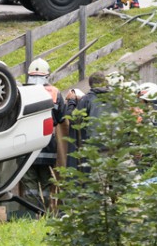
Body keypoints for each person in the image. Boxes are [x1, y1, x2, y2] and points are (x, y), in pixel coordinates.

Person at [21, 58, 65, 210]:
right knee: (47, 183)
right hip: (47, 145)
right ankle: (46, 212)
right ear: (47, 75)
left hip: (26, 145)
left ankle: (32, 214)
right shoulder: (55, 93)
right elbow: (60, 117)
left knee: (29, 185)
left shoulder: (22, 91)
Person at [67, 71, 111, 171]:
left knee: (97, 180)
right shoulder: (114, 98)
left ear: (90, 84)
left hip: (94, 148)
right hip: (113, 146)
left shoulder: (87, 99)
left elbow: (73, 119)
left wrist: (72, 102)